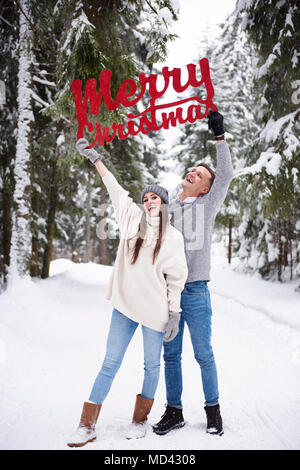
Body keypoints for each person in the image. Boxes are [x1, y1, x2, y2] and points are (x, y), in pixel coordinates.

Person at [67, 139, 188, 447]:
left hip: (154, 312)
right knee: (110, 362)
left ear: (163, 203)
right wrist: (97, 160)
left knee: (151, 365)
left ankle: (139, 420)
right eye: (146, 198)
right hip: (124, 306)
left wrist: (174, 313)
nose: (149, 202)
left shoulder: (172, 237)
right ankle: (86, 425)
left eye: (155, 198)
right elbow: (115, 188)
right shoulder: (131, 218)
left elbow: (176, 279)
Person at [152, 111, 233, 437]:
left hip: (196, 292)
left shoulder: (207, 205)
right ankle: (174, 411)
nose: (191, 173)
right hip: (169, 293)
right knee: (171, 354)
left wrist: (220, 138)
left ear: (205, 189)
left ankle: (213, 411)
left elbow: (225, 175)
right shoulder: (168, 207)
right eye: (190, 170)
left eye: (198, 174)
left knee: (203, 353)